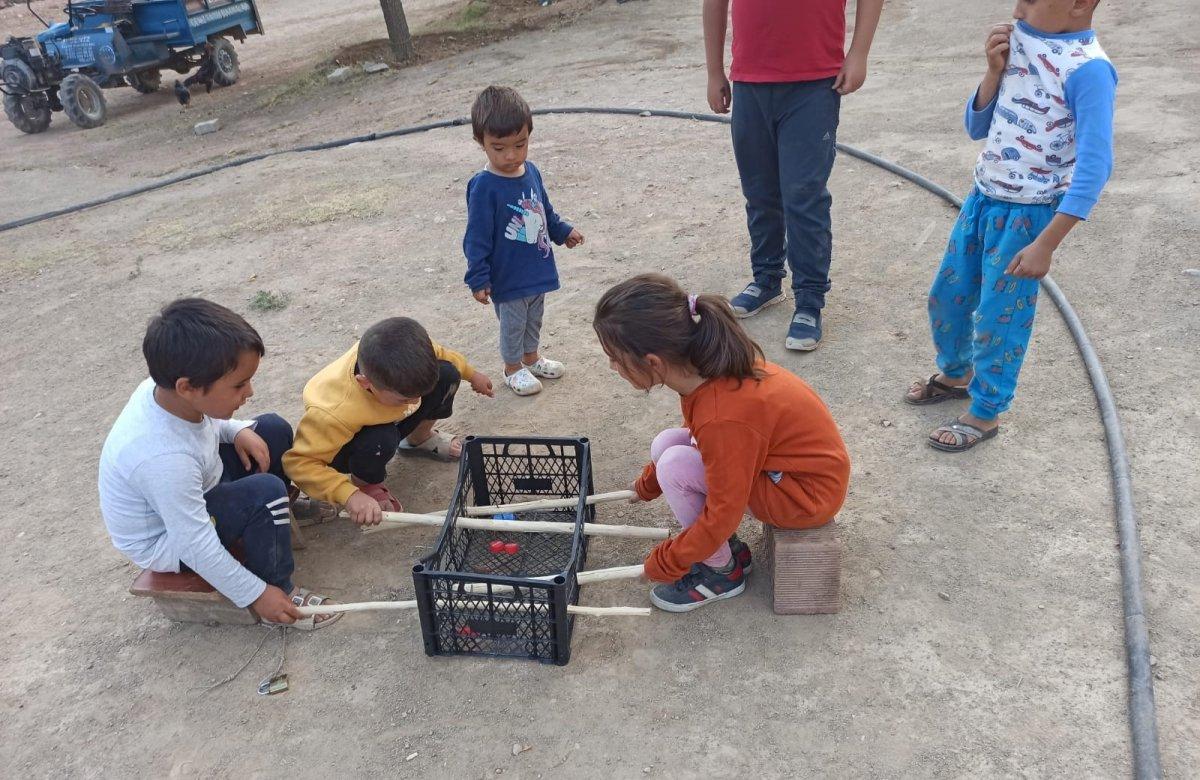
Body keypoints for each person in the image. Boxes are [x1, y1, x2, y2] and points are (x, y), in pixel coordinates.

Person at [905, 0, 1116, 452]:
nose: (1018, 8)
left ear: (1079, 5)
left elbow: (1095, 167)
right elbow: (977, 127)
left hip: (1029, 214)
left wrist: (1047, 243)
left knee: (1000, 318)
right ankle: (957, 372)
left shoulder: (1089, 71)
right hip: (982, 198)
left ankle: (986, 411)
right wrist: (992, 73)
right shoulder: (1018, 44)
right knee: (948, 295)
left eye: (1033, 0)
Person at [593, 274, 851, 612]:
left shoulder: (722, 416)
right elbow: (701, 436)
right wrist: (646, 485)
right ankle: (729, 551)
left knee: (674, 466)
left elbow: (723, 511)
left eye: (615, 357)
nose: (612, 366)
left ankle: (722, 572)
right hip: (785, 474)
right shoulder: (706, 368)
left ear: (653, 361)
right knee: (668, 443)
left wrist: (665, 562)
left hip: (803, 497)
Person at [98, 299, 337, 629]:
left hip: (198, 489)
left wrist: (236, 430)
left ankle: (277, 515)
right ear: (187, 387)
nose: (249, 391)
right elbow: (194, 545)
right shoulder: (161, 460)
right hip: (171, 541)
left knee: (270, 429)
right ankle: (279, 590)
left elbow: (202, 428)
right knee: (265, 492)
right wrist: (254, 593)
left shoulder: (164, 391)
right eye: (239, 384)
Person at [703, 0, 884, 351]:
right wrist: (714, 71)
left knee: (804, 195)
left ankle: (810, 300)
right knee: (759, 191)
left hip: (814, 83)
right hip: (750, 81)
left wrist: (858, 53)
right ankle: (767, 278)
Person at [283, 317, 493, 527]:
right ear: (365, 383)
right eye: (404, 398)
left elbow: (442, 354)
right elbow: (299, 463)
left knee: (447, 374)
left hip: (386, 420)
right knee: (380, 438)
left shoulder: (407, 352)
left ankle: (420, 438)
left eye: (420, 395)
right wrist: (349, 494)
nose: (416, 402)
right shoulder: (334, 411)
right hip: (347, 445)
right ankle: (366, 483)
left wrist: (472, 375)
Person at [463, 85, 585, 396]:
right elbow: (476, 237)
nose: (511, 155)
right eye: (499, 147)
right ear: (482, 143)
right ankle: (512, 367)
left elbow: (544, 210)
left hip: (536, 267)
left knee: (534, 318)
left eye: (520, 144)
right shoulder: (484, 187)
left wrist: (562, 231)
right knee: (513, 323)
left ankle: (531, 358)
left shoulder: (531, 171)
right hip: (507, 275)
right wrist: (478, 278)